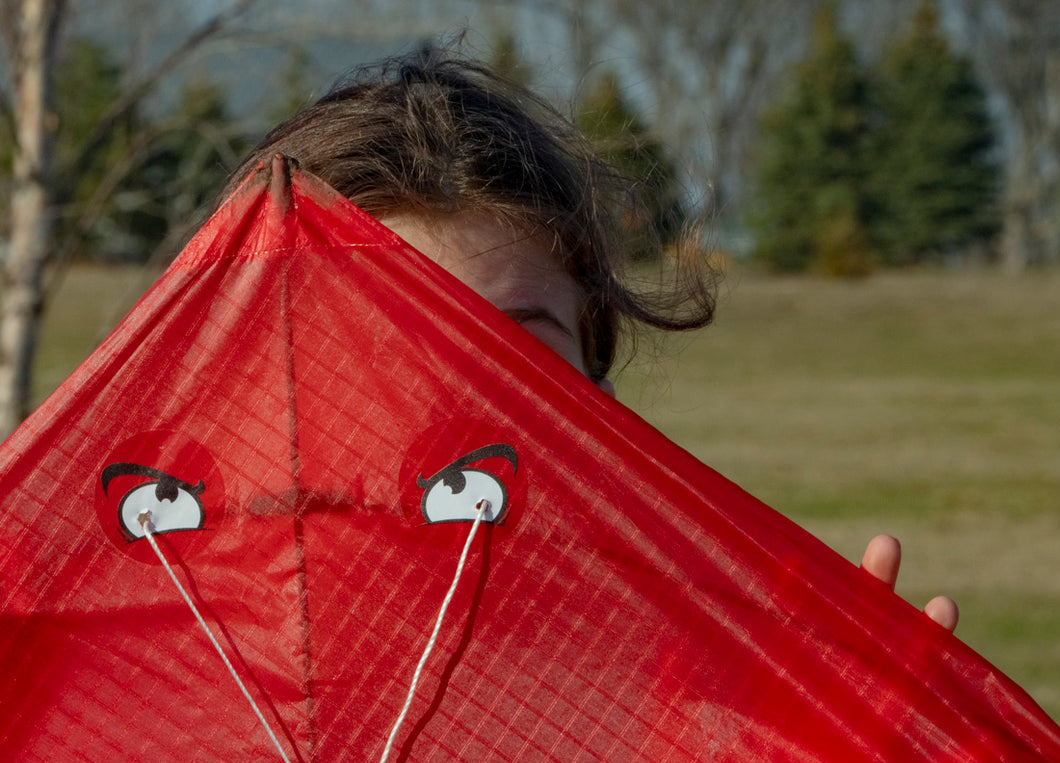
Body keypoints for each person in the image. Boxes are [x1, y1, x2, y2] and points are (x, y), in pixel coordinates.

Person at [225, 49, 959, 630]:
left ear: (599, 406)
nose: (448, 418)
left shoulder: (684, 692)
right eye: (369, 356)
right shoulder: (164, 682)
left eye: (514, 361)